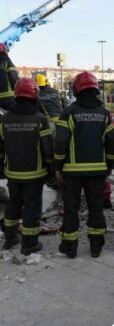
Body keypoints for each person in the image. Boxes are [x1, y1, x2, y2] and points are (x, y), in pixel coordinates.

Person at [0, 77, 53, 255]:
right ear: (34, 96)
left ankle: (10, 238)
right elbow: (47, 149)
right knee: (32, 208)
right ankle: (30, 244)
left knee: (14, 204)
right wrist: (51, 170)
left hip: (13, 174)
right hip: (35, 174)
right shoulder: (40, 119)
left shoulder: (3, 120)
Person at [55, 71, 114, 258]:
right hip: (97, 171)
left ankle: (70, 247)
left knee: (71, 208)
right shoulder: (104, 114)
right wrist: (110, 165)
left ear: (76, 90)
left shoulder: (69, 112)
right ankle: (96, 246)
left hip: (72, 172)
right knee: (96, 207)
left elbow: (60, 142)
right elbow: (111, 142)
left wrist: (57, 165)